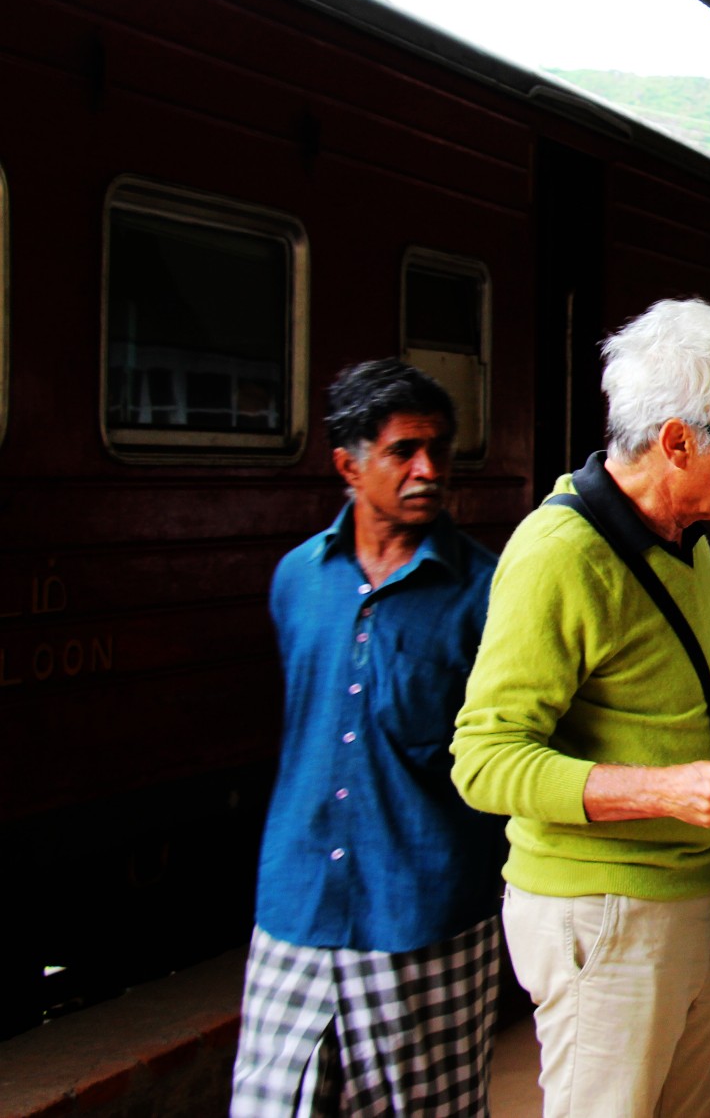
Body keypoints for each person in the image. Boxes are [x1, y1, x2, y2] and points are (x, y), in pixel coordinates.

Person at [452, 299, 710, 1118]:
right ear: (677, 443)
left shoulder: (682, 539)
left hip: (694, 899)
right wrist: (665, 789)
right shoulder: (561, 555)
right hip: (606, 919)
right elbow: (484, 760)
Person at [230, 360, 505, 1118]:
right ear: (348, 466)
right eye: (404, 451)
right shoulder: (297, 579)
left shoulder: (487, 593)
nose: (428, 470)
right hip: (296, 910)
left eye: (439, 450)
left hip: (425, 914)